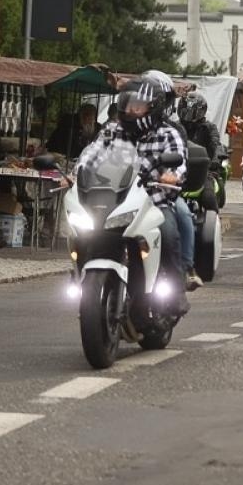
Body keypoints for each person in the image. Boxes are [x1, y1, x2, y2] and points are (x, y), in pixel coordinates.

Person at [82, 77, 191, 313]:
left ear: (154, 107)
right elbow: (91, 156)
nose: (131, 110)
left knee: (169, 232)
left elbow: (179, 161)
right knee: (87, 231)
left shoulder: (167, 133)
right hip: (116, 200)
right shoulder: (112, 131)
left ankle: (176, 290)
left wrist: (172, 174)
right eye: (127, 104)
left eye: (137, 106)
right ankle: (84, 278)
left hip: (154, 201)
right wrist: (75, 173)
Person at [143, 70, 199, 289]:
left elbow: (180, 158)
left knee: (184, 214)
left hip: (161, 192)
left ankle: (185, 269)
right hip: (129, 194)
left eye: (157, 99)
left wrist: (173, 175)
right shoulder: (122, 128)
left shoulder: (173, 130)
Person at [178, 92, 225, 217]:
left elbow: (216, 144)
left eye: (192, 112)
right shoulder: (176, 127)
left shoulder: (209, 128)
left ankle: (212, 223)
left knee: (208, 198)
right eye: (185, 111)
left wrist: (215, 158)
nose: (187, 115)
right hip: (177, 169)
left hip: (203, 170)